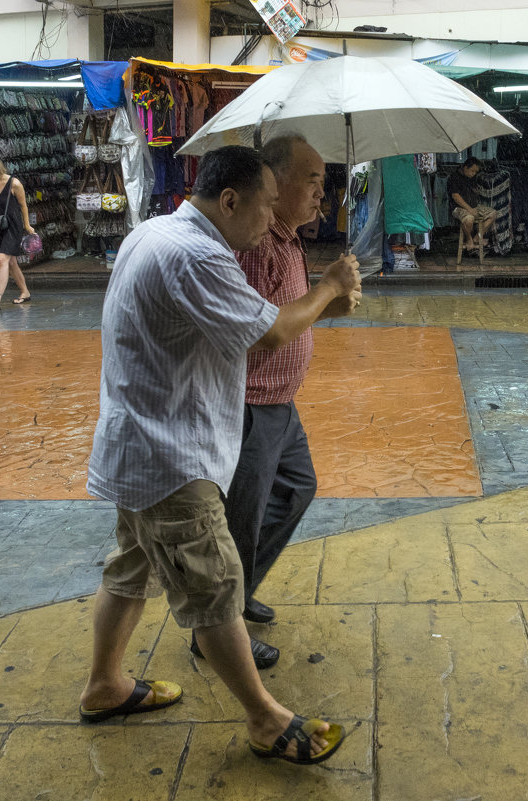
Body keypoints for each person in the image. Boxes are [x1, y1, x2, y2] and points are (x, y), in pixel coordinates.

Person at [80, 145, 361, 766]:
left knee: (132, 569)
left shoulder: (155, 231)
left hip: (141, 442)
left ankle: (105, 683)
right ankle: (266, 718)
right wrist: (328, 288)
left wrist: (318, 296)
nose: (267, 224)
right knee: (214, 589)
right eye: (263, 208)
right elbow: (270, 332)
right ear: (228, 200)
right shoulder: (197, 255)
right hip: (170, 455)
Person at [214, 134, 360, 649]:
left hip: (280, 401)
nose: (323, 192)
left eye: (325, 181)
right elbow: (260, 332)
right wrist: (327, 288)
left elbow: (292, 314)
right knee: (239, 522)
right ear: (277, 181)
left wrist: (331, 302)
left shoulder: (289, 239)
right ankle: (217, 629)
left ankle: (240, 587)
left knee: (296, 490)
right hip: (251, 403)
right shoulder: (259, 246)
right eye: (313, 180)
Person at [0, 151, 35, 310]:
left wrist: (27, 225)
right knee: (11, 262)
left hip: (13, 225)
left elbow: (24, 206)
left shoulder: (14, 183)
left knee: (2, 260)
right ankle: (25, 292)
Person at [447, 156, 494, 254]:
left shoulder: (472, 178)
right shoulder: (454, 177)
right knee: (469, 219)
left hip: (474, 206)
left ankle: (477, 238)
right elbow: (456, 196)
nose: (474, 174)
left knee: (493, 214)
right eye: (472, 171)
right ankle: (469, 240)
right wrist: (470, 209)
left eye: (475, 172)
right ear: (465, 168)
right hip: (458, 208)